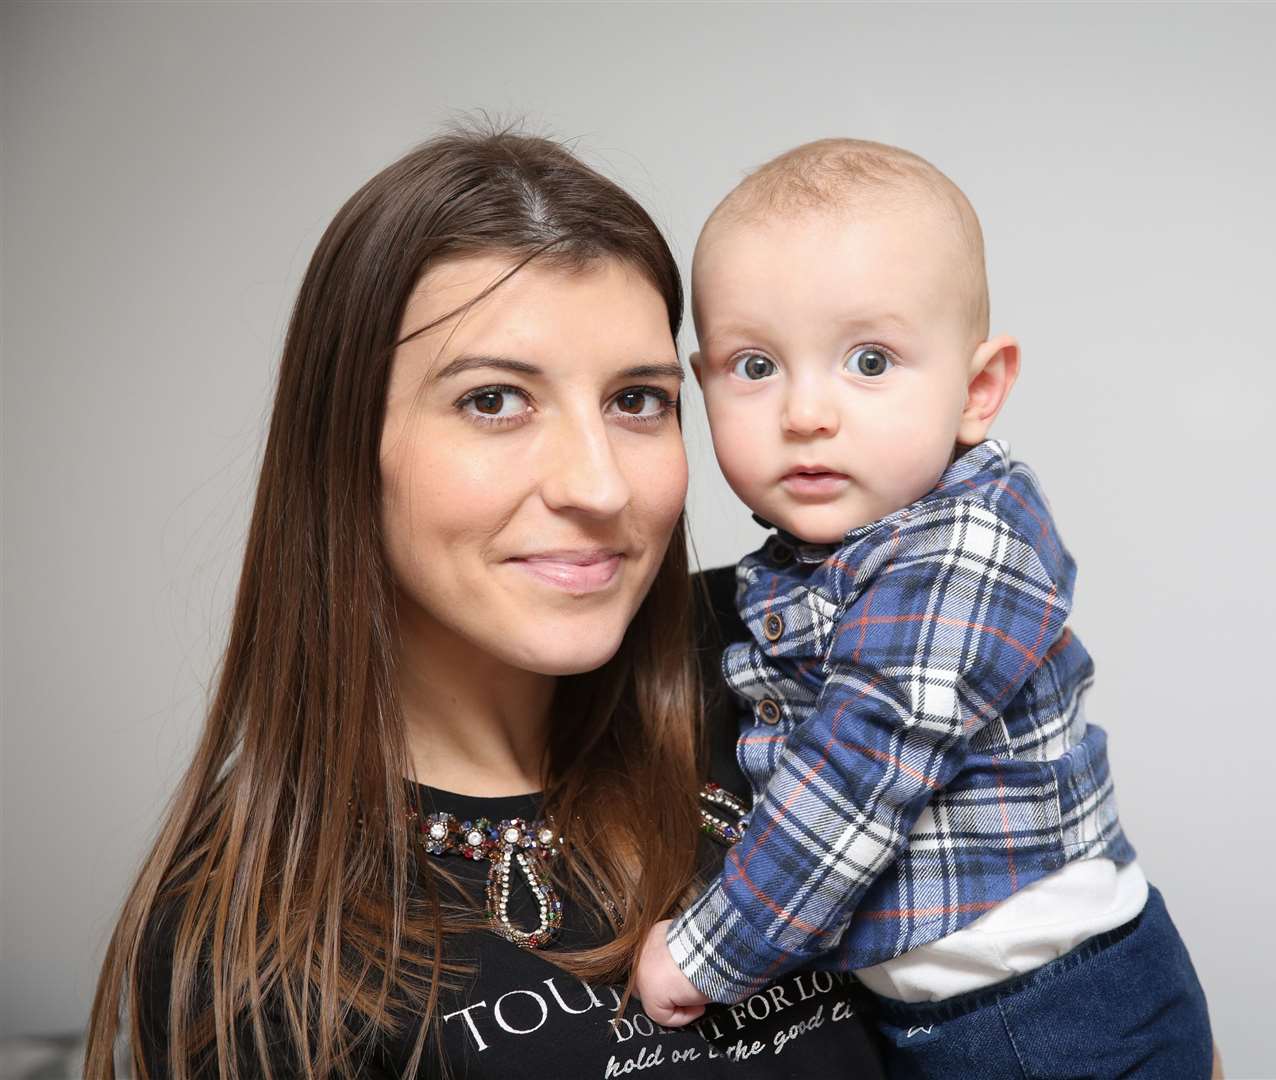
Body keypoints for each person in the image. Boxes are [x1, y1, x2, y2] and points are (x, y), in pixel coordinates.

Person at [84, 127, 885, 1079]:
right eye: (495, 401)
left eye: (637, 400)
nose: (599, 487)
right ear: (345, 447)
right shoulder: (252, 951)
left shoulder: (810, 660)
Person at [632, 138, 1215, 1078]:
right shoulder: (807, 562)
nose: (806, 412)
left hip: (1049, 1015)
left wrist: (706, 952)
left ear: (978, 390)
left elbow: (856, 779)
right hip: (950, 1013)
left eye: (869, 360)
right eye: (754, 366)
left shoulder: (961, 550)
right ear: (701, 385)